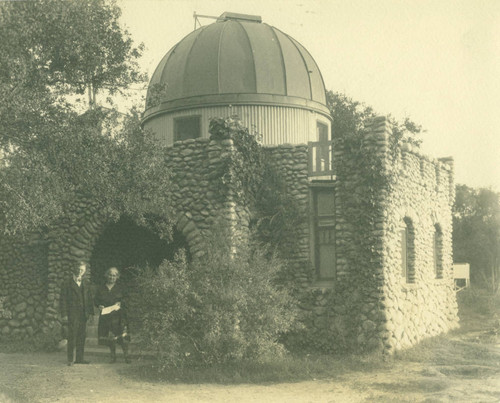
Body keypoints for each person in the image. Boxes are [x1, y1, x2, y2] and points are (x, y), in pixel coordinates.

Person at [59, 261, 94, 366]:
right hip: (72, 313)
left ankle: (80, 358)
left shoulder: (86, 283)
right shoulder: (67, 283)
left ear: (84, 271)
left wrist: (91, 313)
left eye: (82, 270)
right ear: (74, 269)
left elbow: (89, 299)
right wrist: (64, 314)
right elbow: (63, 300)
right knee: (72, 336)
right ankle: (70, 359)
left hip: (83, 314)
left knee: (81, 336)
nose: (79, 271)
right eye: (78, 269)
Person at [94, 267, 130, 363]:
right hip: (106, 316)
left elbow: (126, 299)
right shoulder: (101, 288)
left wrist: (120, 303)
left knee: (122, 336)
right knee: (110, 337)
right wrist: (99, 305)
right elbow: (96, 300)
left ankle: (126, 356)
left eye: (114, 275)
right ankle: (113, 356)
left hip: (118, 316)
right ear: (107, 275)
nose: (112, 277)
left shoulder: (120, 288)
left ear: (117, 277)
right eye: (110, 275)